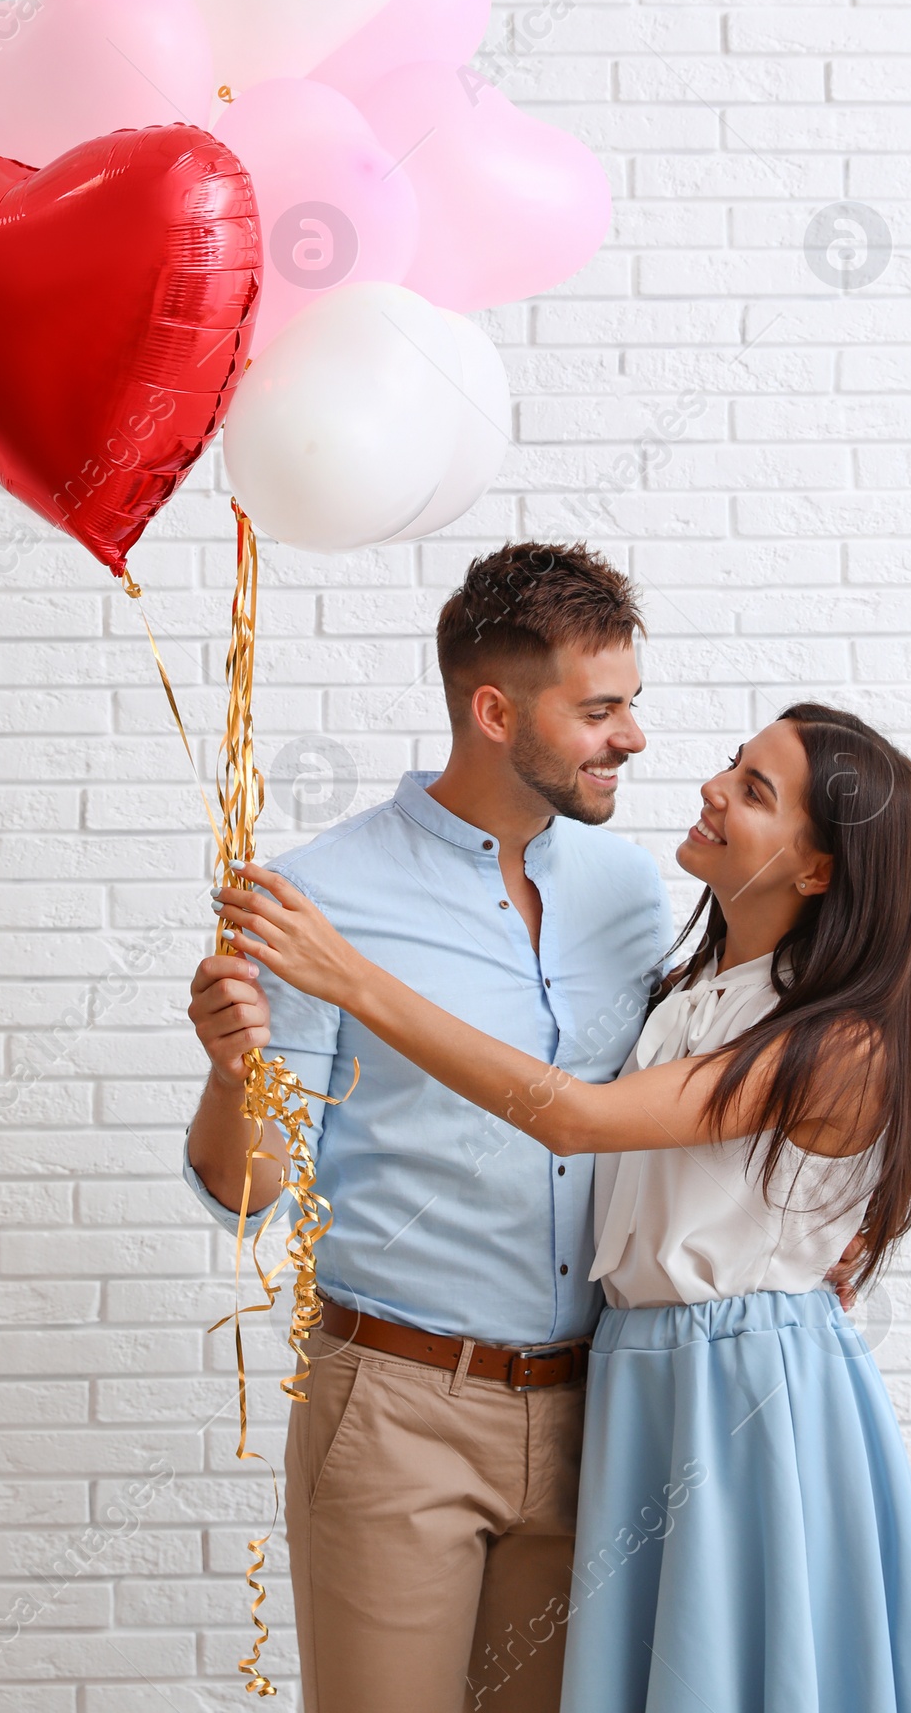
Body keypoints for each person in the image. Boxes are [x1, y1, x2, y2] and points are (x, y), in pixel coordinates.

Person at [217, 700, 911, 1713]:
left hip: (735, 1385)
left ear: (816, 869)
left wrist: (351, 978)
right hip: (638, 1380)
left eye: (754, 790)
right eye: (733, 764)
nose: (711, 786)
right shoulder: (691, 987)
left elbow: (574, 1119)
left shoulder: (834, 1041)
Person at [184, 543, 672, 1711]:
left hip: (598, 1411)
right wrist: (231, 1070)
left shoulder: (633, 892)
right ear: (497, 712)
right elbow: (254, 1192)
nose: (633, 738)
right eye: (600, 710)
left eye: (632, 706)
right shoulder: (319, 899)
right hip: (397, 1406)